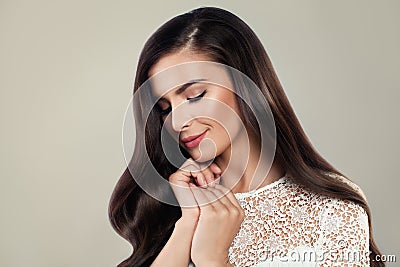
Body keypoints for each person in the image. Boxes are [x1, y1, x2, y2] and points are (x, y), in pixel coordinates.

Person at [108, 7, 384, 267]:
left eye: (195, 96)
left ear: (246, 86)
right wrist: (188, 222)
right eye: (165, 108)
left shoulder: (333, 211)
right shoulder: (174, 205)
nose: (177, 122)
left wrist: (214, 259)